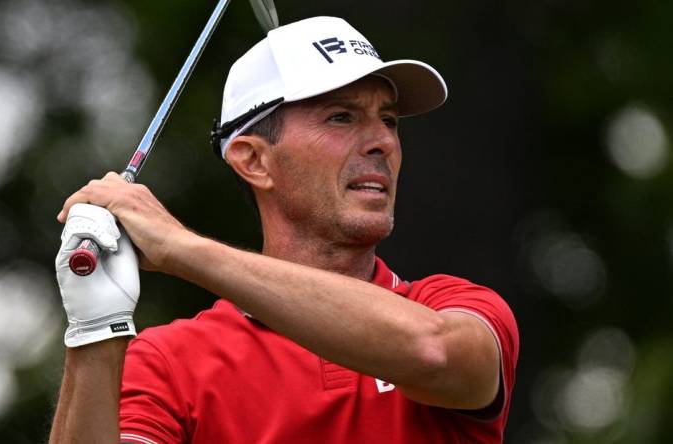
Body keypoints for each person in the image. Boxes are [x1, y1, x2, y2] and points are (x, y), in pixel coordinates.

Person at [49, 16, 519, 444]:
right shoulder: (172, 360)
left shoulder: (453, 307)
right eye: (342, 117)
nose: (383, 142)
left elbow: (438, 354)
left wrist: (180, 248)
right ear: (254, 160)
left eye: (389, 120)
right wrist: (93, 329)